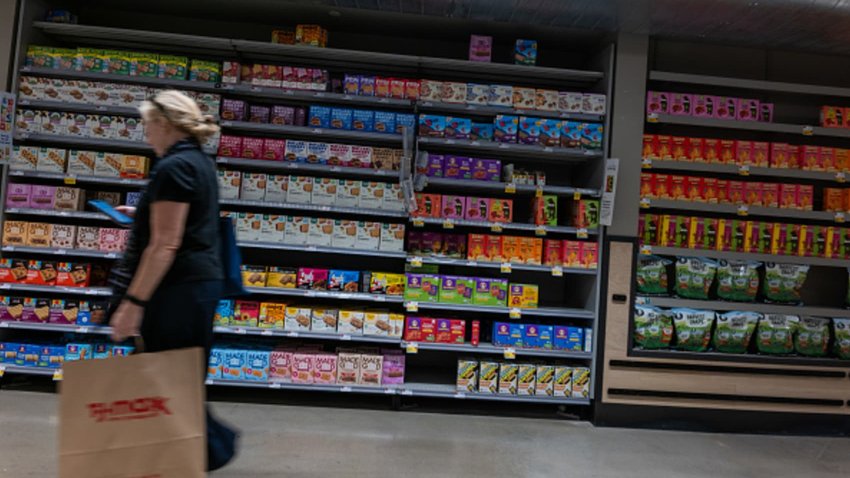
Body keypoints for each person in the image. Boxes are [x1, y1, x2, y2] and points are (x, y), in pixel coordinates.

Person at [109, 90, 237, 472]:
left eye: (147, 125)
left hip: (179, 288)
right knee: (175, 376)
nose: (145, 134)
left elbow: (165, 245)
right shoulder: (197, 162)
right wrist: (143, 211)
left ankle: (213, 448)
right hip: (198, 285)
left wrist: (134, 303)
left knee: (169, 377)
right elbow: (189, 220)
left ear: (164, 124)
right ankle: (192, 450)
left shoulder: (172, 168)